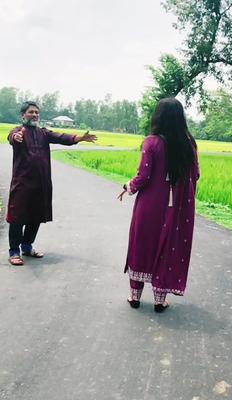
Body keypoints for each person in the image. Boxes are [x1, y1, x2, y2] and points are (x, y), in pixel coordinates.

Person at [118, 97, 200, 312]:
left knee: (142, 245)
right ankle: (159, 300)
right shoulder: (189, 144)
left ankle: (134, 296)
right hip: (177, 208)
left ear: (158, 116)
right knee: (167, 249)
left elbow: (143, 176)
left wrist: (128, 186)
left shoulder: (151, 142)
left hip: (150, 205)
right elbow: (196, 175)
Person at [7, 101, 97, 266]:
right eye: (31, 112)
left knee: (36, 216)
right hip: (22, 184)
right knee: (17, 217)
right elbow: (12, 137)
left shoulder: (43, 133)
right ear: (23, 115)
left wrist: (80, 138)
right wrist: (16, 137)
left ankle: (27, 246)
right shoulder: (18, 131)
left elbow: (61, 137)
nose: (34, 115)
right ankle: (14, 251)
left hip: (41, 184)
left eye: (36, 112)